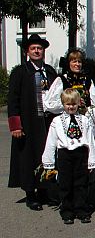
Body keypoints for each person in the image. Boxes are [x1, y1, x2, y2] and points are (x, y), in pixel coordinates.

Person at [8, 34, 58, 211]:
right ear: (27, 52)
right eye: (33, 48)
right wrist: (15, 125)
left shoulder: (50, 71)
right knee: (28, 158)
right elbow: (13, 100)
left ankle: (45, 191)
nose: (37, 51)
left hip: (47, 122)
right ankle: (31, 194)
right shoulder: (20, 73)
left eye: (40, 48)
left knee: (46, 156)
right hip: (28, 123)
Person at [42, 89, 95, 224]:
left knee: (81, 183)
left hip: (80, 154)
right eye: (68, 104)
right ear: (63, 104)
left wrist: (92, 161)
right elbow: (51, 142)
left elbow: (90, 140)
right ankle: (67, 211)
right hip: (65, 155)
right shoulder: (57, 121)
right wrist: (48, 161)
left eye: (73, 104)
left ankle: (81, 210)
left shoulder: (84, 120)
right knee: (65, 184)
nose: (71, 107)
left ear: (78, 104)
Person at [44, 49, 95, 116]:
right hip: (67, 119)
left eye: (79, 62)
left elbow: (94, 105)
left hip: (85, 119)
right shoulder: (62, 80)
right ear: (68, 63)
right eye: (74, 61)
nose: (77, 64)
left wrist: (86, 108)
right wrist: (71, 103)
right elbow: (50, 104)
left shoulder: (88, 81)